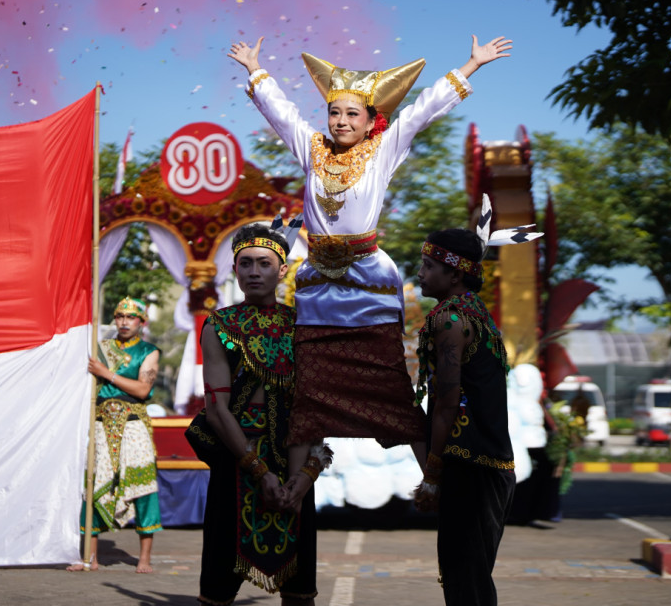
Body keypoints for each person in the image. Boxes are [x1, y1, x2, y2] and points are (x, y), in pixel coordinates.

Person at [227, 35, 512, 457]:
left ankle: (432, 479)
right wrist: (256, 70)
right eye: (334, 112)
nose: (341, 121)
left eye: (351, 114)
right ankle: (296, 489)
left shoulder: (383, 150)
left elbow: (420, 112)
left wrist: (470, 66)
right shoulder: (312, 149)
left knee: (389, 386)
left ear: (369, 120)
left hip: (367, 279)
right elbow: (282, 115)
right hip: (317, 284)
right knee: (309, 390)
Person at [192, 223, 328, 605]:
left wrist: (303, 478)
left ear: (282, 270)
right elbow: (216, 409)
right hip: (238, 461)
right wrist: (258, 470)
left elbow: (313, 406)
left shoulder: (304, 325)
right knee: (217, 589)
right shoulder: (219, 325)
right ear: (234, 270)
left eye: (264, 264)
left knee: (300, 592)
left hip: (295, 459)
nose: (254, 272)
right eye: (246, 263)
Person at [412, 228, 516, 606]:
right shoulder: (476, 313)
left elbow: (447, 401)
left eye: (428, 266)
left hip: (471, 467)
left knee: (465, 582)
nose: (420, 273)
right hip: (490, 466)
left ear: (454, 274)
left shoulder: (451, 321)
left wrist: (432, 474)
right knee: (467, 577)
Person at [69, 297, 162, 573]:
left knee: (143, 486)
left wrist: (106, 374)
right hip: (100, 423)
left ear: (141, 322)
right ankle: (91, 557)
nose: (123, 321)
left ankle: (143, 559)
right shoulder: (100, 349)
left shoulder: (149, 351)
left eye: (130, 317)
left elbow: (143, 390)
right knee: (94, 484)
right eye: (119, 316)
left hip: (133, 424)